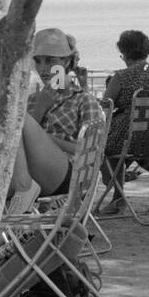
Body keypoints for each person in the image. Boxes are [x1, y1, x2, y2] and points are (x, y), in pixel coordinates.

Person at [23, 28, 105, 195]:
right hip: (33, 173)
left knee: (19, 119)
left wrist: (45, 139)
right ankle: (22, 190)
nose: (43, 68)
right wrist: (39, 107)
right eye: (38, 61)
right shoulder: (32, 100)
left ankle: (23, 190)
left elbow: (94, 153)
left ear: (66, 62)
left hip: (70, 177)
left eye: (50, 61)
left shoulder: (83, 100)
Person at [102, 31, 149, 205]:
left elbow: (104, 108)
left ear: (125, 53)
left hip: (127, 139)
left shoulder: (121, 77)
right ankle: (122, 177)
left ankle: (117, 190)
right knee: (118, 146)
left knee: (102, 145)